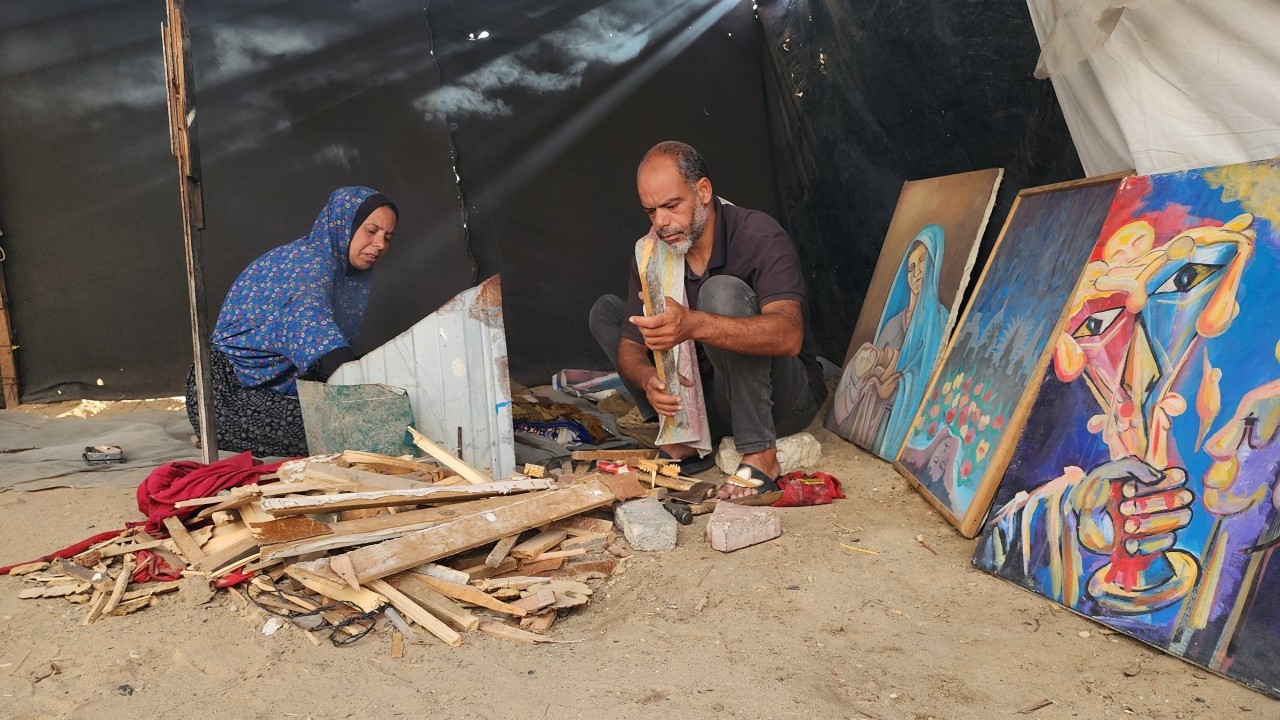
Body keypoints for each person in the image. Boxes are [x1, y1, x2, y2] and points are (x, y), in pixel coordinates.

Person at [589, 141, 826, 498]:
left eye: (671, 206)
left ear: (703, 191)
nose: (661, 223)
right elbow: (629, 346)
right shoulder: (651, 252)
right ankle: (684, 438)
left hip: (781, 401)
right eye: (650, 211)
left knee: (721, 293)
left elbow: (789, 335)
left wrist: (694, 323)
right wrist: (647, 379)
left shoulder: (757, 234)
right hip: (708, 402)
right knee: (605, 311)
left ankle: (761, 454)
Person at [185, 186, 398, 457]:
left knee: (378, 394)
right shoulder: (305, 269)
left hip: (266, 389)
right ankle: (218, 435)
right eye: (371, 231)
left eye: (387, 237)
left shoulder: (326, 261)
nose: (380, 244)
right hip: (223, 398)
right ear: (344, 225)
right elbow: (331, 357)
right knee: (361, 427)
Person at [828, 226, 948, 459]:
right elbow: (872, 371)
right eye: (911, 268)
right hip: (877, 422)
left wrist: (897, 386)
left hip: (903, 424)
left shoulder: (941, 321)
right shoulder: (894, 324)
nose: (916, 275)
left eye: (923, 263)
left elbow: (929, 377)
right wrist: (872, 377)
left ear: (934, 265)